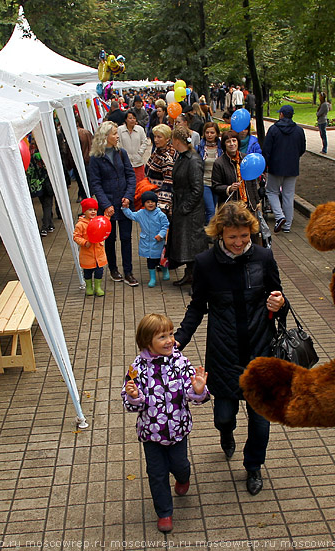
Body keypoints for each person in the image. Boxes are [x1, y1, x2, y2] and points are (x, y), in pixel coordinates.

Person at [174, 202, 286, 496]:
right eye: (232, 237)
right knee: (224, 415)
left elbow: (278, 297)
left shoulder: (264, 257)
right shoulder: (206, 263)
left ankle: (253, 466)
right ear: (219, 234)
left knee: (261, 421)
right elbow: (197, 307)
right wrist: (178, 340)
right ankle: (226, 433)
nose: (239, 243)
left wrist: (279, 304)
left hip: (260, 350)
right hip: (223, 353)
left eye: (244, 236)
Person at [123, 313, 209, 533]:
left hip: (178, 429)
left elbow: (193, 393)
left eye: (170, 334)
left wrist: (198, 390)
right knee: (156, 473)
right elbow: (130, 402)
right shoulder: (137, 368)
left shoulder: (180, 361)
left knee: (180, 464)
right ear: (146, 342)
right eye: (162, 337)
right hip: (151, 433)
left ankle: (183, 478)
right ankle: (164, 512)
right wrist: (133, 396)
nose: (170, 340)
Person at [88, 120, 138, 287]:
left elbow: (131, 176)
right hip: (107, 204)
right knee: (110, 239)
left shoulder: (121, 153)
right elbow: (95, 184)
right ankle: (113, 269)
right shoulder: (96, 158)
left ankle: (128, 271)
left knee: (126, 237)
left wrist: (128, 196)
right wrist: (106, 203)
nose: (117, 136)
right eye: (115, 133)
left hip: (124, 203)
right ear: (105, 136)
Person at [167, 126, 210, 287]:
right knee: (186, 245)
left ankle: (198, 281)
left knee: (193, 246)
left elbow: (197, 189)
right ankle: (189, 274)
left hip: (191, 211)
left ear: (177, 141)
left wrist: (185, 208)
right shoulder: (183, 157)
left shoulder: (193, 160)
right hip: (183, 206)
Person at [262, 104, 306, 234]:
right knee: (288, 194)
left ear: (281, 114)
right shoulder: (299, 130)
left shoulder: (274, 129)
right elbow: (302, 148)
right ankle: (287, 224)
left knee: (271, 192)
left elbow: (267, 150)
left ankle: (279, 216)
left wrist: (265, 166)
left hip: (276, 167)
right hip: (292, 167)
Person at [122, 190, 170, 287]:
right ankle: (152, 278)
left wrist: (161, 235)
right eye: (147, 202)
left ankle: (165, 270)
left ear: (156, 203)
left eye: (152, 202)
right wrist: (125, 208)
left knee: (161, 259)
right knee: (150, 261)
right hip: (146, 242)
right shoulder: (141, 213)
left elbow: (166, 226)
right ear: (144, 203)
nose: (150, 204)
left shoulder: (160, 214)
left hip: (158, 241)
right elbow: (132, 215)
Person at [212, 130, 260, 217]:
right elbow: (215, 186)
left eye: (234, 140)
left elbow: (252, 182)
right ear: (224, 144)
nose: (232, 144)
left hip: (248, 205)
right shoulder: (219, 163)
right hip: (230, 208)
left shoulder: (246, 159)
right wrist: (229, 188)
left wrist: (257, 201)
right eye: (228, 141)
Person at [72, 198, 108, 297]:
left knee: (99, 271)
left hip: (99, 252)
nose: (93, 212)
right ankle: (89, 287)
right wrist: (84, 242)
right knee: (87, 272)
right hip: (87, 253)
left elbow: (105, 227)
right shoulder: (81, 224)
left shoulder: (98, 221)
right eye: (90, 209)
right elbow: (76, 236)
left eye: (95, 210)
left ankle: (98, 287)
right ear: (84, 211)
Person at [145, 124, 177, 218]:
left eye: (159, 137)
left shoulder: (168, 158)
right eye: (155, 136)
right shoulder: (157, 151)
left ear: (167, 139)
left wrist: (162, 209)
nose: (156, 140)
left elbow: (168, 184)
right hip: (152, 198)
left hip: (160, 204)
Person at [25, 140, 55, 237]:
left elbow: (29, 172)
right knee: (48, 205)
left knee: (45, 204)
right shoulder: (45, 156)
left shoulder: (30, 157)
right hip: (47, 183)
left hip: (37, 185)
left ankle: (50, 225)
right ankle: (45, 227)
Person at [196, 122, 223, 223]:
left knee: (214, 209)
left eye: (212, 132)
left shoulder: (221, 149)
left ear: (217, 134)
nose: (209, 135)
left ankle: (209, 231)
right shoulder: (199, 148)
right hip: (205, 183)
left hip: (217, 183)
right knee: (210, 210)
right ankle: (210, 235)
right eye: (207, 132)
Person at [118, 110, 149, 182]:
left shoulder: (140, 129)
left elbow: (144, 142)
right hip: (125, 162)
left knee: (139, 183)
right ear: (126, 119)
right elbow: (118, 143)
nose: (132, 120)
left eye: (134, 118)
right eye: (130, 118)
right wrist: (123, 154)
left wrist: (140, 153)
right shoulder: (120, 130)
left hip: (138, 162)